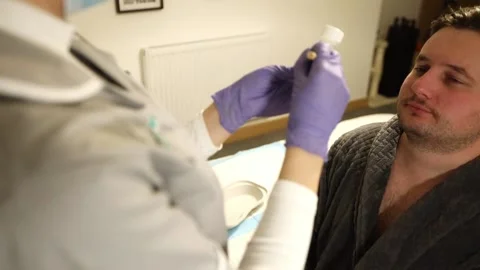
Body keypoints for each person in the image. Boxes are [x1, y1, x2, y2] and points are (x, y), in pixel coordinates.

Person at [0, 0, 350, 269]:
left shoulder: (45, 41)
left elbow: (128, 151)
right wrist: (308, 146)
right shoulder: (57, 173)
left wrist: (221, 118)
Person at [305, 5, 480, 270]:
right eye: (421, 68)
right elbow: (299, 245)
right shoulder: (351, 148)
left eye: (453, 79)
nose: (420, 86)